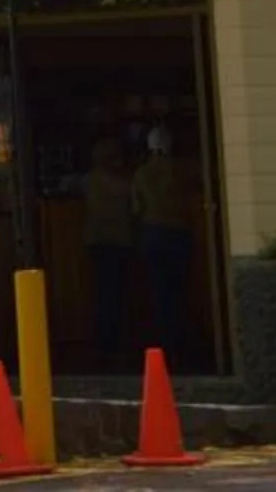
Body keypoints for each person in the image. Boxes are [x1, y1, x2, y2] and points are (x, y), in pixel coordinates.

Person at [133, 125, 196, 365]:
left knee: (158, 290)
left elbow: (136, 207)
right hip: (179, 231)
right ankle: (179, 342)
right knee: (179, 290)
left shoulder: (142, 173)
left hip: (152, 233)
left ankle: (163, 343)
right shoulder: (181, 170)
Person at [83, 136, 138, 371]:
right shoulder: (103, 179)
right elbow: (130, 190)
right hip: (112, 243)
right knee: (112, 296)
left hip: (103, 242)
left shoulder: (93, 179)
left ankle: (108, 346)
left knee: (108, 295)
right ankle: (111, 347)